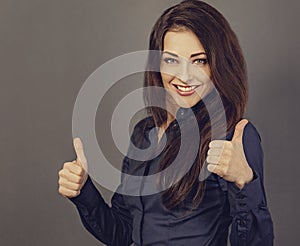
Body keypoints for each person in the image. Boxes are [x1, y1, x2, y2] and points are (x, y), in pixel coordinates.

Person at [58, 0, 274, 245]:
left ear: (218, 65)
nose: (184, 76)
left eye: (199, 60)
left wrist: (243, 180)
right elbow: (121, 233)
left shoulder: (231, 136)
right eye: (172, 60)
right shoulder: (144, 132)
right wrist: (83, 191)